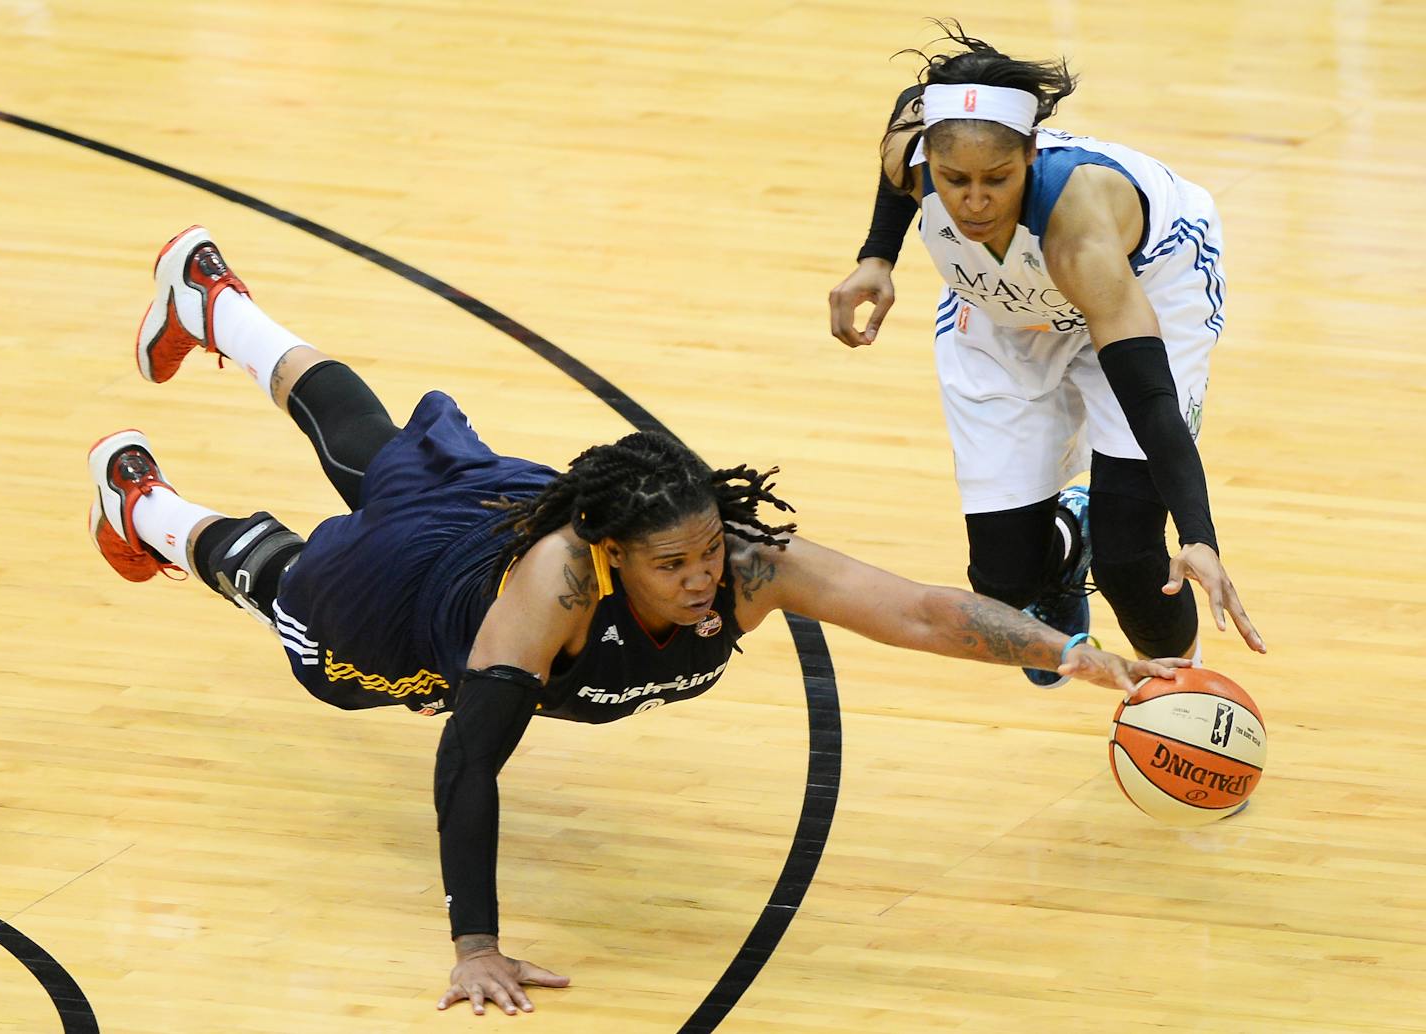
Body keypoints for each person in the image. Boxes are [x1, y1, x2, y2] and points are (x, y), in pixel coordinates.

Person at [89, 225, 1188, 1016]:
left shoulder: (735, 563)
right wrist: (476, 941)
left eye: (711, 549)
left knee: (386, 452)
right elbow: (471, 758)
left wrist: (1076, 652)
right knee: (295, 600)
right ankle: (151, 509)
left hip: (494, 507)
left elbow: (917, 609)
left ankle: (215, 303)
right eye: (676, 565)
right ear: (611, 558)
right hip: (414, 604)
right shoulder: (550, 598)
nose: (707, 578)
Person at [828, 21, 1266, 687]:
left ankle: (1182, 701)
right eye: (954, 180)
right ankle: (1066, 547)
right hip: (1008, 307)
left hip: (1145, 283)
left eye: (996, 180)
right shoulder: (914, 151)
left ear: (1031, 153)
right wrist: (876, 259)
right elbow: (900, 163)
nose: (974, 202)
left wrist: (1199, 536)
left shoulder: (1079, 232)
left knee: (1133, 564)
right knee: (1002, 583)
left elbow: (1150, 401)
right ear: (928, 162)